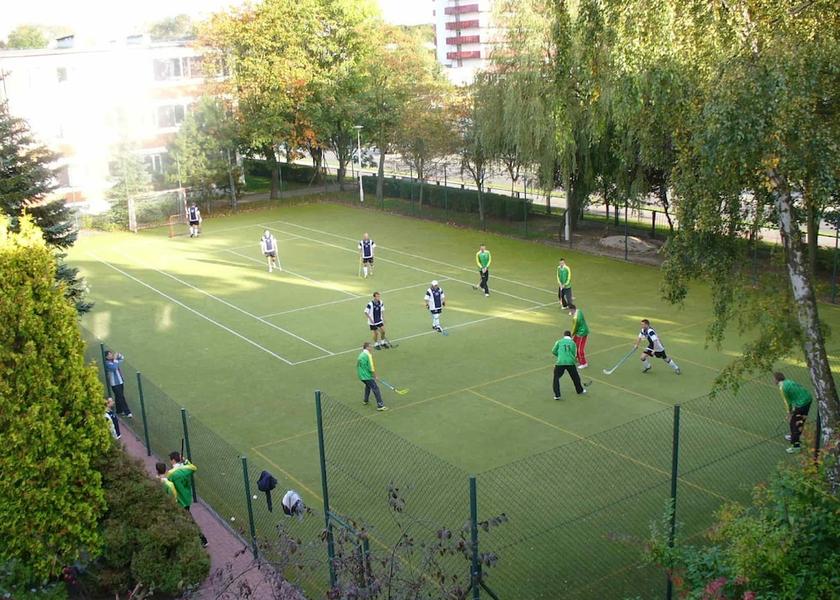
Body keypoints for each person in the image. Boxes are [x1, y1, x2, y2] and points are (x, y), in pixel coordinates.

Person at [167, 452, 208, 546]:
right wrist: (185, 461)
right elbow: (193, 467)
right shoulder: (187, 469)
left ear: (173, 460)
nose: (170, 462)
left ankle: (202, 539)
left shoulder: (171, 473)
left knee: (188, 519)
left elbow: (168, 482)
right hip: (187, 497)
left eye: (170, 460)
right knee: (185, 518)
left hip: (179, 500)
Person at [773, 372, 813, 453]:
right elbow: (797, 390)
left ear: (777, 380)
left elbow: (788, 402)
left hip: (802, 403)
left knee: (793, 424)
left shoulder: (782, 387)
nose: (773, 380)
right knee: (799, 421)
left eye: (773, 379)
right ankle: (795, 437)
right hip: (808, 399)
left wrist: (789, 413)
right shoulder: (788, 381)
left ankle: (796, 446)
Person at [552, 330, 586, 399]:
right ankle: (580, 390)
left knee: (556, 378)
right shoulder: (573, 343)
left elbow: (553, 351)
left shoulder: (559, 341)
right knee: (575, 377)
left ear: (564, 335)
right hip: (570, 362)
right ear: (570, 336)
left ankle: (557, 395)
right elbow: (574, 354)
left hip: (560, 362)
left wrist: (559, 356)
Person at [357, 342, 386, 410]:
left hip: (361, 376)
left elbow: (358, 364)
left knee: (368, 386)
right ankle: (380, 405)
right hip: (367, 376)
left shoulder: (361, 354)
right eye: (370, 347)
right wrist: (375, 376)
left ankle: (365, 400)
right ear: (367, 347)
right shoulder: (368, 355)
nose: (371, 348)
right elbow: (371, 367)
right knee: (375, 388)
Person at [104, 351, 133, 417]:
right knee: (121, 397)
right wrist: (115, 359)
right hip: (114, 383)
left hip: (120, 381)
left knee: (118, 396)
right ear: (106, 357)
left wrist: (118, 355)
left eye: (111, 354)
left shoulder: (114, 361)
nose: (111, 355)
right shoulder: (107, 363)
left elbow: (122, 358)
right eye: (109, 354)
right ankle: (127, 412)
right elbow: (114, 367)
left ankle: (119, 410)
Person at [568, 304, 589, 369]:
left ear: (572, 309)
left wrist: (571, 335)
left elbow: (575, 328)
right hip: (579, 331)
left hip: (582, 333)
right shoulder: (579, 311)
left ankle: (584, 363)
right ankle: (576, 358)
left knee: (580, 349)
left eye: (570, 310)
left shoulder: (576, 318)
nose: (569, 312)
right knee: (574, 344)